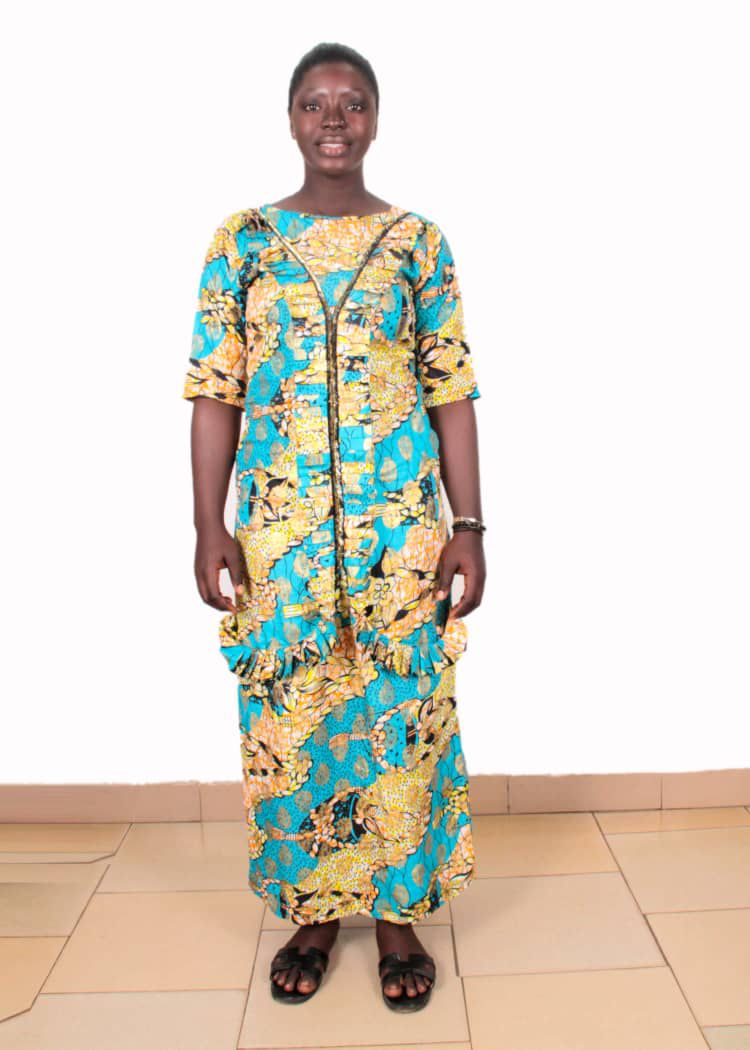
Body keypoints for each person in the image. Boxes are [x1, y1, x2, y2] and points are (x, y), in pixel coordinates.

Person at [182, 41, 485, 1012]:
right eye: (315, 103)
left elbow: (451, 389)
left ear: (377, 119)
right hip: (283, 542)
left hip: (400, 541)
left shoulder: (418, 245)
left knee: (399, 716)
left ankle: (397, 916)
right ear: (290, 119)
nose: (334, 121)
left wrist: (469, 525)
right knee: (293, 715)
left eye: (352, 104)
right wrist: (208, 525)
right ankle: (313, 911)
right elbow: (215, 392)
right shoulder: (242, 244)